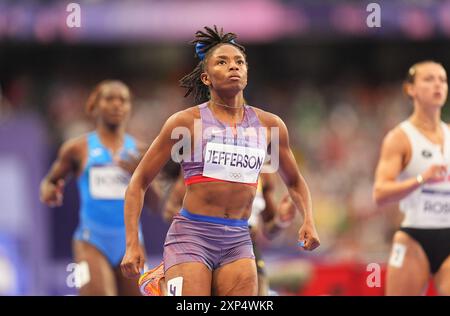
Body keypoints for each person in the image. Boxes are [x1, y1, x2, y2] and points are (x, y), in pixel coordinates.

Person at [121, 25, 320, 296]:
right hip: (192, 236)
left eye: (239, 62)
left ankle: (166, 283)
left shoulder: (270, 126)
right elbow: (139, 181)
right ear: (206, 78)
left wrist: (308, 219)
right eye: (222, 62)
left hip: (238, 239)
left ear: (247, 74)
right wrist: (133, 243)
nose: (233, 67)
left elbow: (295, 181)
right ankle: (164, 280)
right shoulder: (186, 123)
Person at [40, 80, 154, 295]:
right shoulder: (77, 148)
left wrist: (139, 174)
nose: (117, 105)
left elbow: (157, 204)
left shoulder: (140, 151)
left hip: (131, 241)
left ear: (130, 107)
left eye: (123, 100)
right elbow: (50, 180)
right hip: (91, 240)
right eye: (109, 99)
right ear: (94, 105)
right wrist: (49, 190)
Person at [139, 168, 297, 296]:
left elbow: (270, 231)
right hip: (201, 244)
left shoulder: (265, 172)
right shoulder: (207, 155)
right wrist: (201, 225)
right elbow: (169, 210)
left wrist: (281, 221)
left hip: (243, 248)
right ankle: (168, 279)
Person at [373, 60, 450, 295]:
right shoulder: (400, 138)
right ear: (411, 89)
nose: (438, 85)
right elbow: (380, 194)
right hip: (414, 236)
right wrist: (421, 179)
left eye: (442, 79)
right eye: (429, 79)